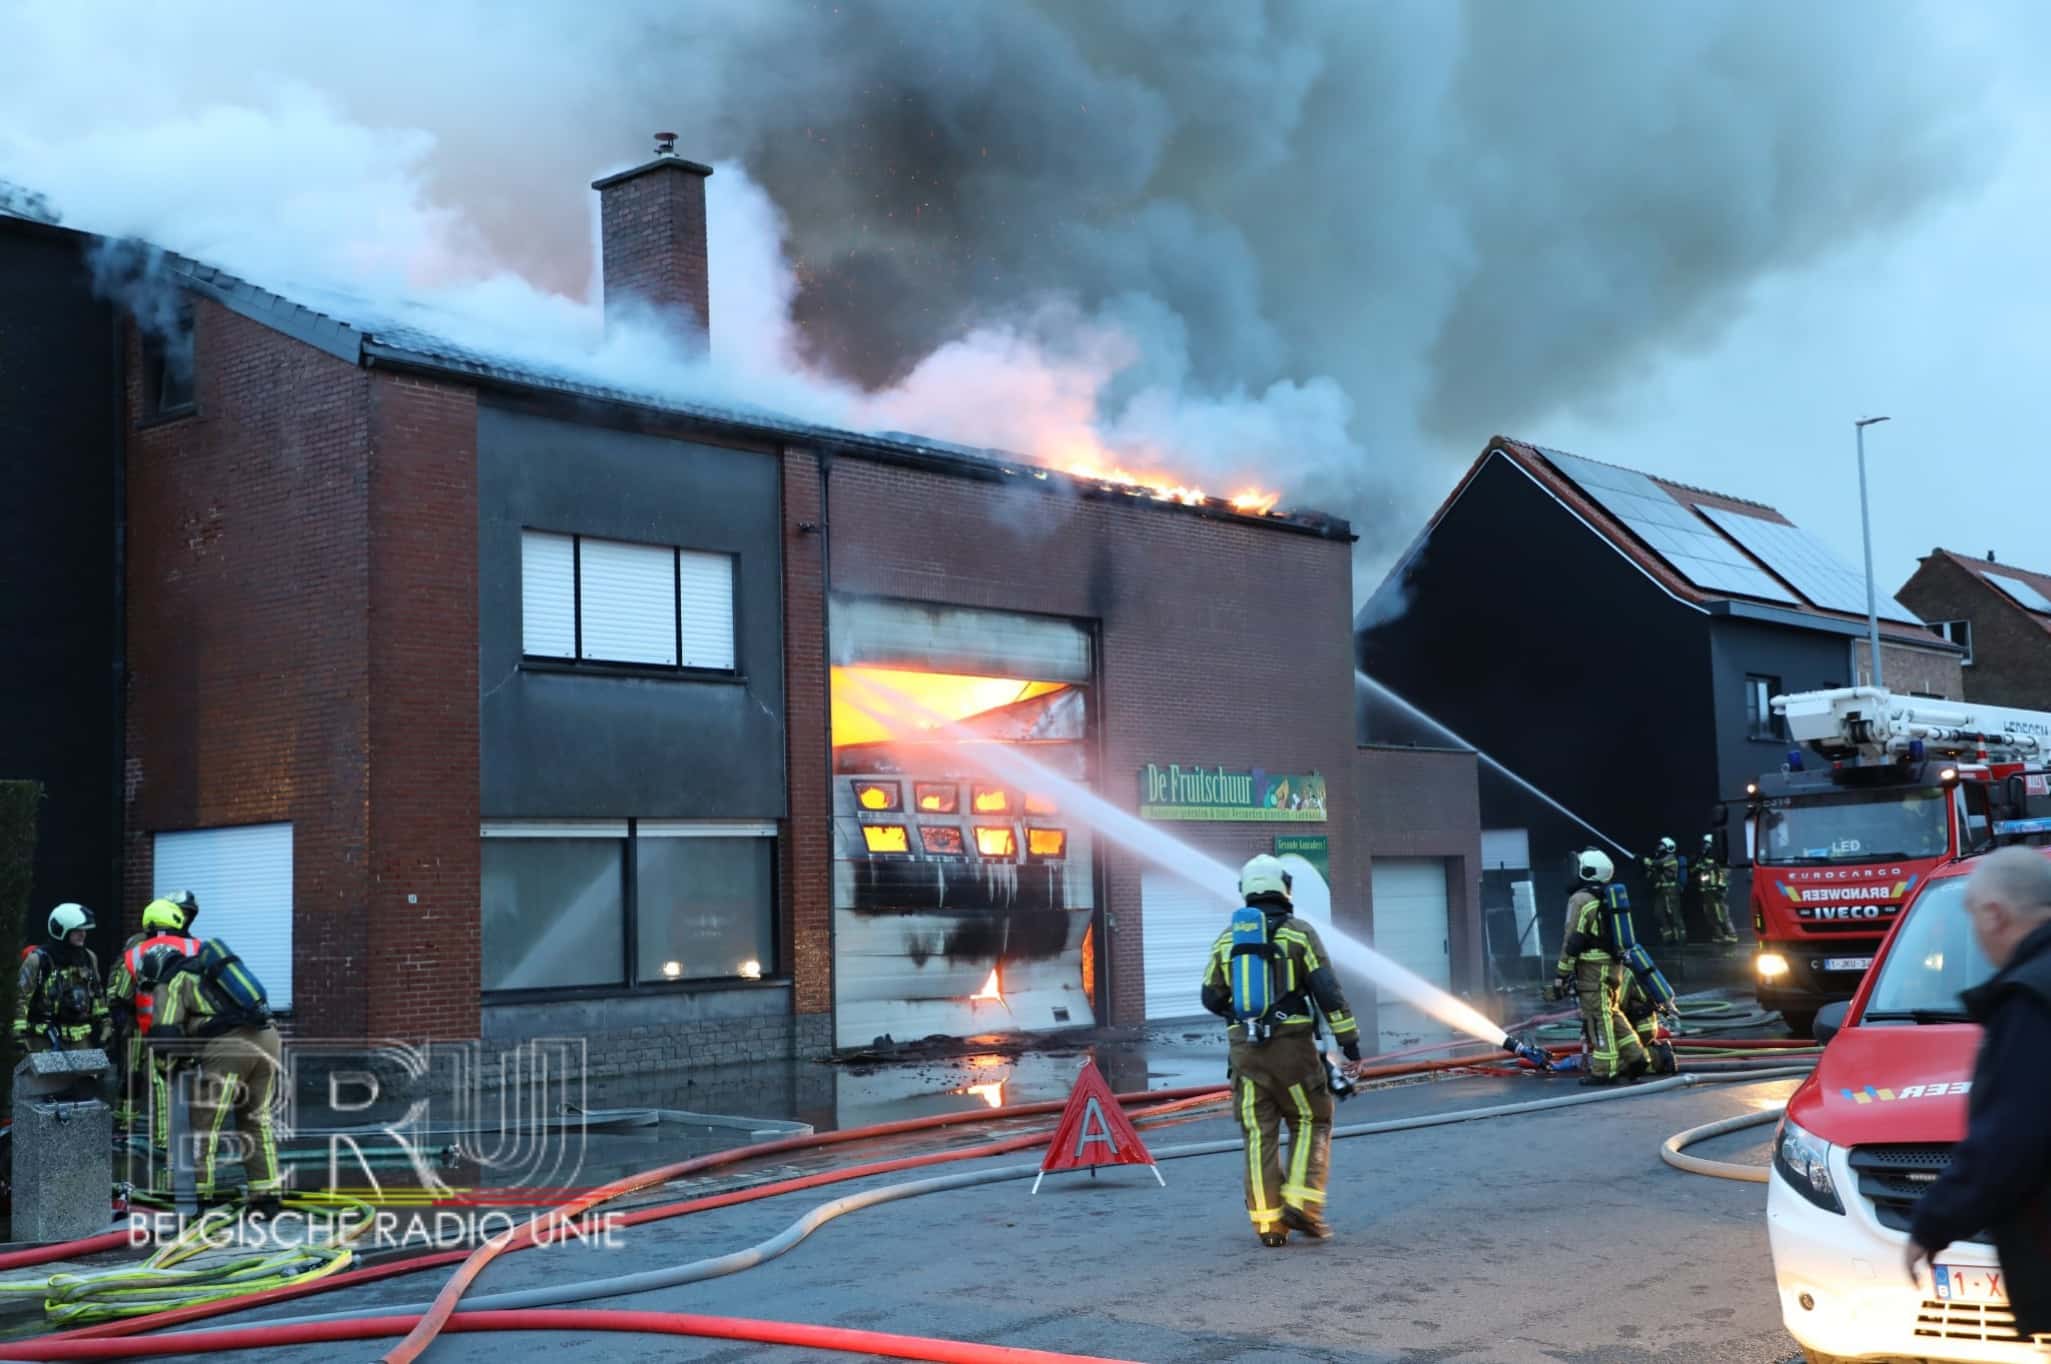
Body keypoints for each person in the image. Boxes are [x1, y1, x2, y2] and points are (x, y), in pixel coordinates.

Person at [1903, 847, 2051, 1339]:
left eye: (1972, 915)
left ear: (1995, 914)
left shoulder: (2032, 999)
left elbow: (2011, 1139)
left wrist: (1934, 1222)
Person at [1201, 854, 1362, 1247]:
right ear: (1283, 886)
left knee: (1259, 1133)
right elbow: (1327, 990)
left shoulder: (1227, 940)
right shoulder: (1299, 934)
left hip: (1245, 1055)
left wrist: (1240, 1015)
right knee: (1312, 1118)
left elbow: (1209, 995)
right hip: (1291, 1050)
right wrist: (1349, 1043)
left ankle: (1269, 1225)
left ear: (1247, 890)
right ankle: (1302, 1205)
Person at [145, 938, 282, 1205]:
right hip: (268, 1039)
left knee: (204, 1126)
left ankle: (197, 1200)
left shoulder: (171, 980)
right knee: (256, 1120)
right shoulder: (210, 972)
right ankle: (266, 1197)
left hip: (230, 1049)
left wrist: (167, 1070)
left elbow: (165, 1033)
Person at [1551, 850, 1679, 1086]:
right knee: (1612, 1013)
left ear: (1587, 871)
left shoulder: (1581, 899)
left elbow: (1573, 939)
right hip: (1613, 966)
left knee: (1598, 1019)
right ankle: (1637, 1057)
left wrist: (1561, 974)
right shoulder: (1604, 897)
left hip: (1592, 968)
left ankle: (1604, 1070)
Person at [107, 896, 202, 1139]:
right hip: (184, 1027)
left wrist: (120, 1021)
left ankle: (138, 1131)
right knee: (173, 1079)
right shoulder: (196, 948)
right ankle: (175, 1137)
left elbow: (120, 995)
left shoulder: (135, 952)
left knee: (135, 1076)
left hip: (143, 1026)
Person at [12, 903, 110, 1056]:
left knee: (87, 1078)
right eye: (77, 930)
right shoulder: (38, 960)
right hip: (43, 1039)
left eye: (84, 930)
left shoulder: (89, 958)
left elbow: (97, 993)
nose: (83, 934)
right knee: (48, 1079)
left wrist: (106, 1025)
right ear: (60, 930)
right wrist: (18, 1034)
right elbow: (21, 998)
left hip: (80, 1039)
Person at [1693, 835, 1738, 946]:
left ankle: (1732, 935)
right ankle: (1720, 936)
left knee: (1722, 913)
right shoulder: (1703, 859)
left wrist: (1721, 887)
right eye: (1704, 843)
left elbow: (1725, 872)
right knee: (1710, 914)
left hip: (1716, 891)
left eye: (1707, 843)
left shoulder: (1720, 858)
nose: (1705, 846)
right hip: (1706, 891)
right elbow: (1697, 872)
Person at [1642, 837, 1684, 944]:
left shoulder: (1671, 858)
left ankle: (1680, 939)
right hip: (1662, 890)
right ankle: (1668, 938)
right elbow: (1652, 871)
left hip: (1671, 890)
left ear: (1667, 847)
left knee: (1674, 915)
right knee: (1658, 913)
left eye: (1661, 845)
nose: (1659, 847)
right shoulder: (1660, 858)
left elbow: (1657, 863)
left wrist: (1648, 861)